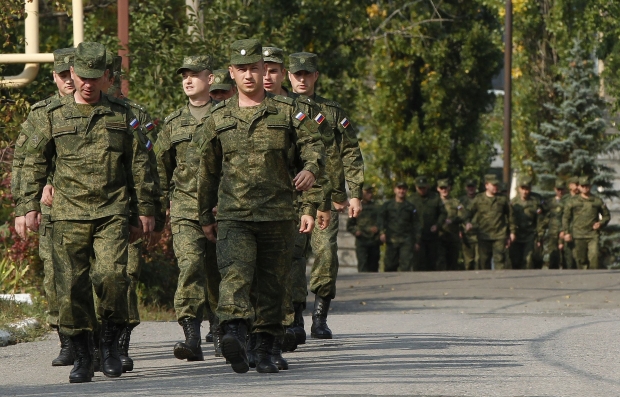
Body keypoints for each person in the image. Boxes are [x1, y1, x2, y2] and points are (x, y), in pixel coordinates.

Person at [21, 42, 156, 383]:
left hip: (112, 212)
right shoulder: (50, 115)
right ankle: (83, 356)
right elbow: (33, 162)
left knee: (112, 278)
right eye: (81, 76)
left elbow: (140, 164)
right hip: (67, 215)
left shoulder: (123, 115)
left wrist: (145, 210)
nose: (87, 83)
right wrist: (27, 207)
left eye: (96, 77)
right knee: (69, 289)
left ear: (107, 77)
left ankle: (109, 348)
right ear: (72, 74)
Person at [196, 39, 324, 374]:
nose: (249, 75)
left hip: (278, 215)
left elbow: (313, 146)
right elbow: (206, 171)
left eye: (255, 68)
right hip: (235, 215)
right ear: (231, 73)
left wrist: (310, 170)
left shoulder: (287, 114)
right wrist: (203, 215)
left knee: (272, 284)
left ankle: (265, 349)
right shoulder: (217, 118)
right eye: (242, 70)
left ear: (264, 70)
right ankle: (235, 333)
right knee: (235, 275)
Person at [288, 51, 364, 340]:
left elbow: (350, 152)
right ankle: (294, 316)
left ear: (316, 76)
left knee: (326, 256)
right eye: (297, 74)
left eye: (308, 73)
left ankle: (319, 316)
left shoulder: (332, 112)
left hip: (327, 199)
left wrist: (353, 192)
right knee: (293, 258)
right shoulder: (280, 109)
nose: (302, 79)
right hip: (292, 199)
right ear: (289, 76)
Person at [11, 47, 75, 367]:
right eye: (62, 75)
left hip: (92, 208)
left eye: (71, 74)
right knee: (56, 277)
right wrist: (27, 204)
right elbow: (28, 160)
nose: (68, 81)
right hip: (53, 210)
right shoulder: (43, 113)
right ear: (54, 78)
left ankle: (97, 336)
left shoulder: (105, 110)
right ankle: (67, 338)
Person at [155, 55, 219, 362]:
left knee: (220, 271)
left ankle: (222, 328)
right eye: (184, 75)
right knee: (191, 266)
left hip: (223, 209)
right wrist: (158, 208)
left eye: (195, 74)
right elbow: (159, 168)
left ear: (211, 79)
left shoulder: (226, 116)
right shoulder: (172, 123)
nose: (188, 79)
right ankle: (192, 336)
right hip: (184, 209)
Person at [105, 53, 166, 371]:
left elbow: (148, 165)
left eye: (115, 76)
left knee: (125, 275)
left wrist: (152, 210)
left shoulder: (136, 114)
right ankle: (95, 340)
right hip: (91, 211)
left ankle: (120, 340)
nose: (111, 83)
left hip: (127, 211)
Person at [562, 176, 610, 269]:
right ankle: (584, 279)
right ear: (579, 187)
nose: (585, 188)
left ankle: (594, 278)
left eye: (587, 186)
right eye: (582, 186)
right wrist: (566, 232)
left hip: (592, 235)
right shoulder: (573, 201)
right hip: (578, 235)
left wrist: (601, 223)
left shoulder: (597, 201)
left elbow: (606, 215)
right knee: (581, 260)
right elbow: (566, 217)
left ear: (590, 186)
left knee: (594, 256)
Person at [465, 174, 512, 270]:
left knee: (499, 261)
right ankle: (486, 283)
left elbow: (511, 216)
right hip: (484, 235)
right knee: (484, 262)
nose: (496, 187)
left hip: (499, 235)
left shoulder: (503, 199)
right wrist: (467, 222)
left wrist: (512, 232)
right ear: (486, 185)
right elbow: (468, 212)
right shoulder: (479, 199)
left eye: (496, 185)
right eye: (493, 185)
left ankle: (499, 282)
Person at [378, 182, 421, 272]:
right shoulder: (387, 205)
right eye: (399, 188)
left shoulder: (410, 207)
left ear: (406, 191)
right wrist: (382, 232)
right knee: (390, 265)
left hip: (406, 240)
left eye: (404, 189)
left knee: (406, 265)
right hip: (392, 239)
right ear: (395, 190)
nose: (401, 191)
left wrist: (417, 240)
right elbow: (381, 219)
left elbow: (416, 224)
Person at [410, 176, 447, 271]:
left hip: (432, 236)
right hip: (417, 238)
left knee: (432, 263)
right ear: (416, 187)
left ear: (428, 186)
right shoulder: (411, 199)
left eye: (424, 187)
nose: (422, 190)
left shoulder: (435, 197)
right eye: (420, 188)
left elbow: (443, 213)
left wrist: (438, 225)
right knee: (418, 264)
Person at [509, 175, 545, 269]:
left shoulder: (535, 202)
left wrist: (539, 237)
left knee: (528, 260)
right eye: (523, 188)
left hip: (530, 235)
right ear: (519, 189)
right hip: (517, 235)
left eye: (527, 189)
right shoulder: (513, 202)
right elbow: (510, 219)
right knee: (515, 261)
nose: (525, 191)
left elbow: (540, 220)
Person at [347, 184, 381, 272]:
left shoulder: (376, 208)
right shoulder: (357, 207)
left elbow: (382, 222)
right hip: (362, 240)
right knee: (362, 265)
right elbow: (349, 225)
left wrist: (378, 229)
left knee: (373, 266)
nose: (370, 195)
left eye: (371, 192)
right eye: (367, 193)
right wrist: (356, 231)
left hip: (374, 240)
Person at [436, 179, 464, 271]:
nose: (444, 190)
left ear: (449, 188)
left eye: (446, 188)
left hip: (453, 236)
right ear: (438, 189)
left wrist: (453, 220)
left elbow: (462, 215)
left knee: (452, 261)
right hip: (439, 236)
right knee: (440, 260)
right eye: (442, 188)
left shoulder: (456, 202)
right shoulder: (435, 202)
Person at [544, 179, 566, 269]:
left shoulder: (568, 202)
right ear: (555, 189)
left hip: (565, 231)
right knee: (553, 255)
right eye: (558, 189)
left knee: (566, 256)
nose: (560, 191)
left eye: (562, 189)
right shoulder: (549, 202)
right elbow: (544, 217)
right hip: (552, 232)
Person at [459, 179, 479, 270]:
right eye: (469, 187)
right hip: (466, 234)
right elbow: (459, 216)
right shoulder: (461, 201)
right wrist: (459, 230)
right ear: (465, 188)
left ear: (476, 187)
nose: (471, 189)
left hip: (479, 233)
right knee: (468, 261)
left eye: (473, 187)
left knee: (479, 261)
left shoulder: (480, 199)